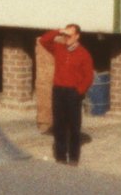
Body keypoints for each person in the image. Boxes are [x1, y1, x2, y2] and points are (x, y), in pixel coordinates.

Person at [36, 23, 94, 166]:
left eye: (70, 35)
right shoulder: (59, 48)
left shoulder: (84, 54)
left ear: (77, 36)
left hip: (73, 93)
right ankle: (60, 157)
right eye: (65, 35)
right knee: (59, 126)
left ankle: (73, 158)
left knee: (74, 127)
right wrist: (59, 31)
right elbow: (44, 40)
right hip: (58, 91)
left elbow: (88, 77)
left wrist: (79, 92)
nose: (66, 38)